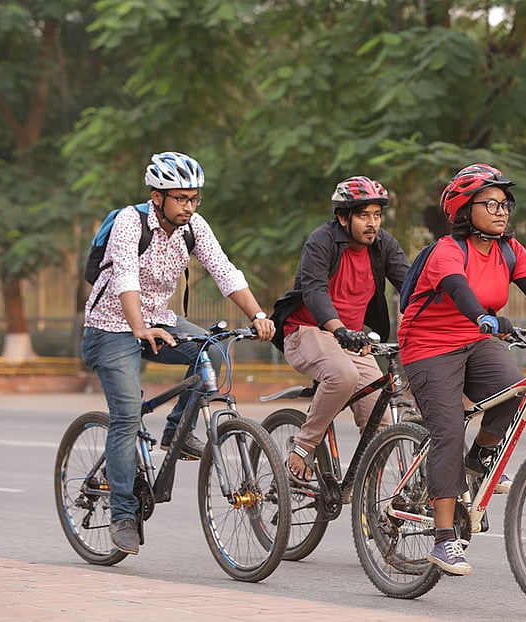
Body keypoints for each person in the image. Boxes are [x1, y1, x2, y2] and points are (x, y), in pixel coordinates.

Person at [398, 163, 526, 576]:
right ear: (464, 209)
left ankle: (475, 467)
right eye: (490, 203)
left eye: (505, 203)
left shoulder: (510, 250)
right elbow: (459, 290)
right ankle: (443, 541)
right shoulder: (448, 251)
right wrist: (483, 317)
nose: (501, 210)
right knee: (447, 431)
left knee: (516, 392)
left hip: (476, 339)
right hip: (428, 345)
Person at [81, 151, 276, 556]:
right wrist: (138, 328)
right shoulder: (128, 223)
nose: (189, 206)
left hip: (159, 318)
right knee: (127, 415)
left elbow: (224, 270)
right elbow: (125, 278)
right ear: (157, 196)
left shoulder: (194, 227)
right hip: (111, 327)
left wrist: (257, 313)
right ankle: (121, 514)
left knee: (214, 352)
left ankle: (177, 433)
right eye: (181, 198)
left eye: (194, 198)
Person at [271, 176, 410, 485]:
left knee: (383, 423)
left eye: (377, 215)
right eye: (364, 215)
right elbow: (315, 291)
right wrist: (338, 329)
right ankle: (304, 446)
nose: (372, 223)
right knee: (343, 375)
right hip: (307, 331)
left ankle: (367, 498)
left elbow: (412, 285)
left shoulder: (383, 245)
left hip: (353, 340)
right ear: (343, 217)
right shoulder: (321, 241)